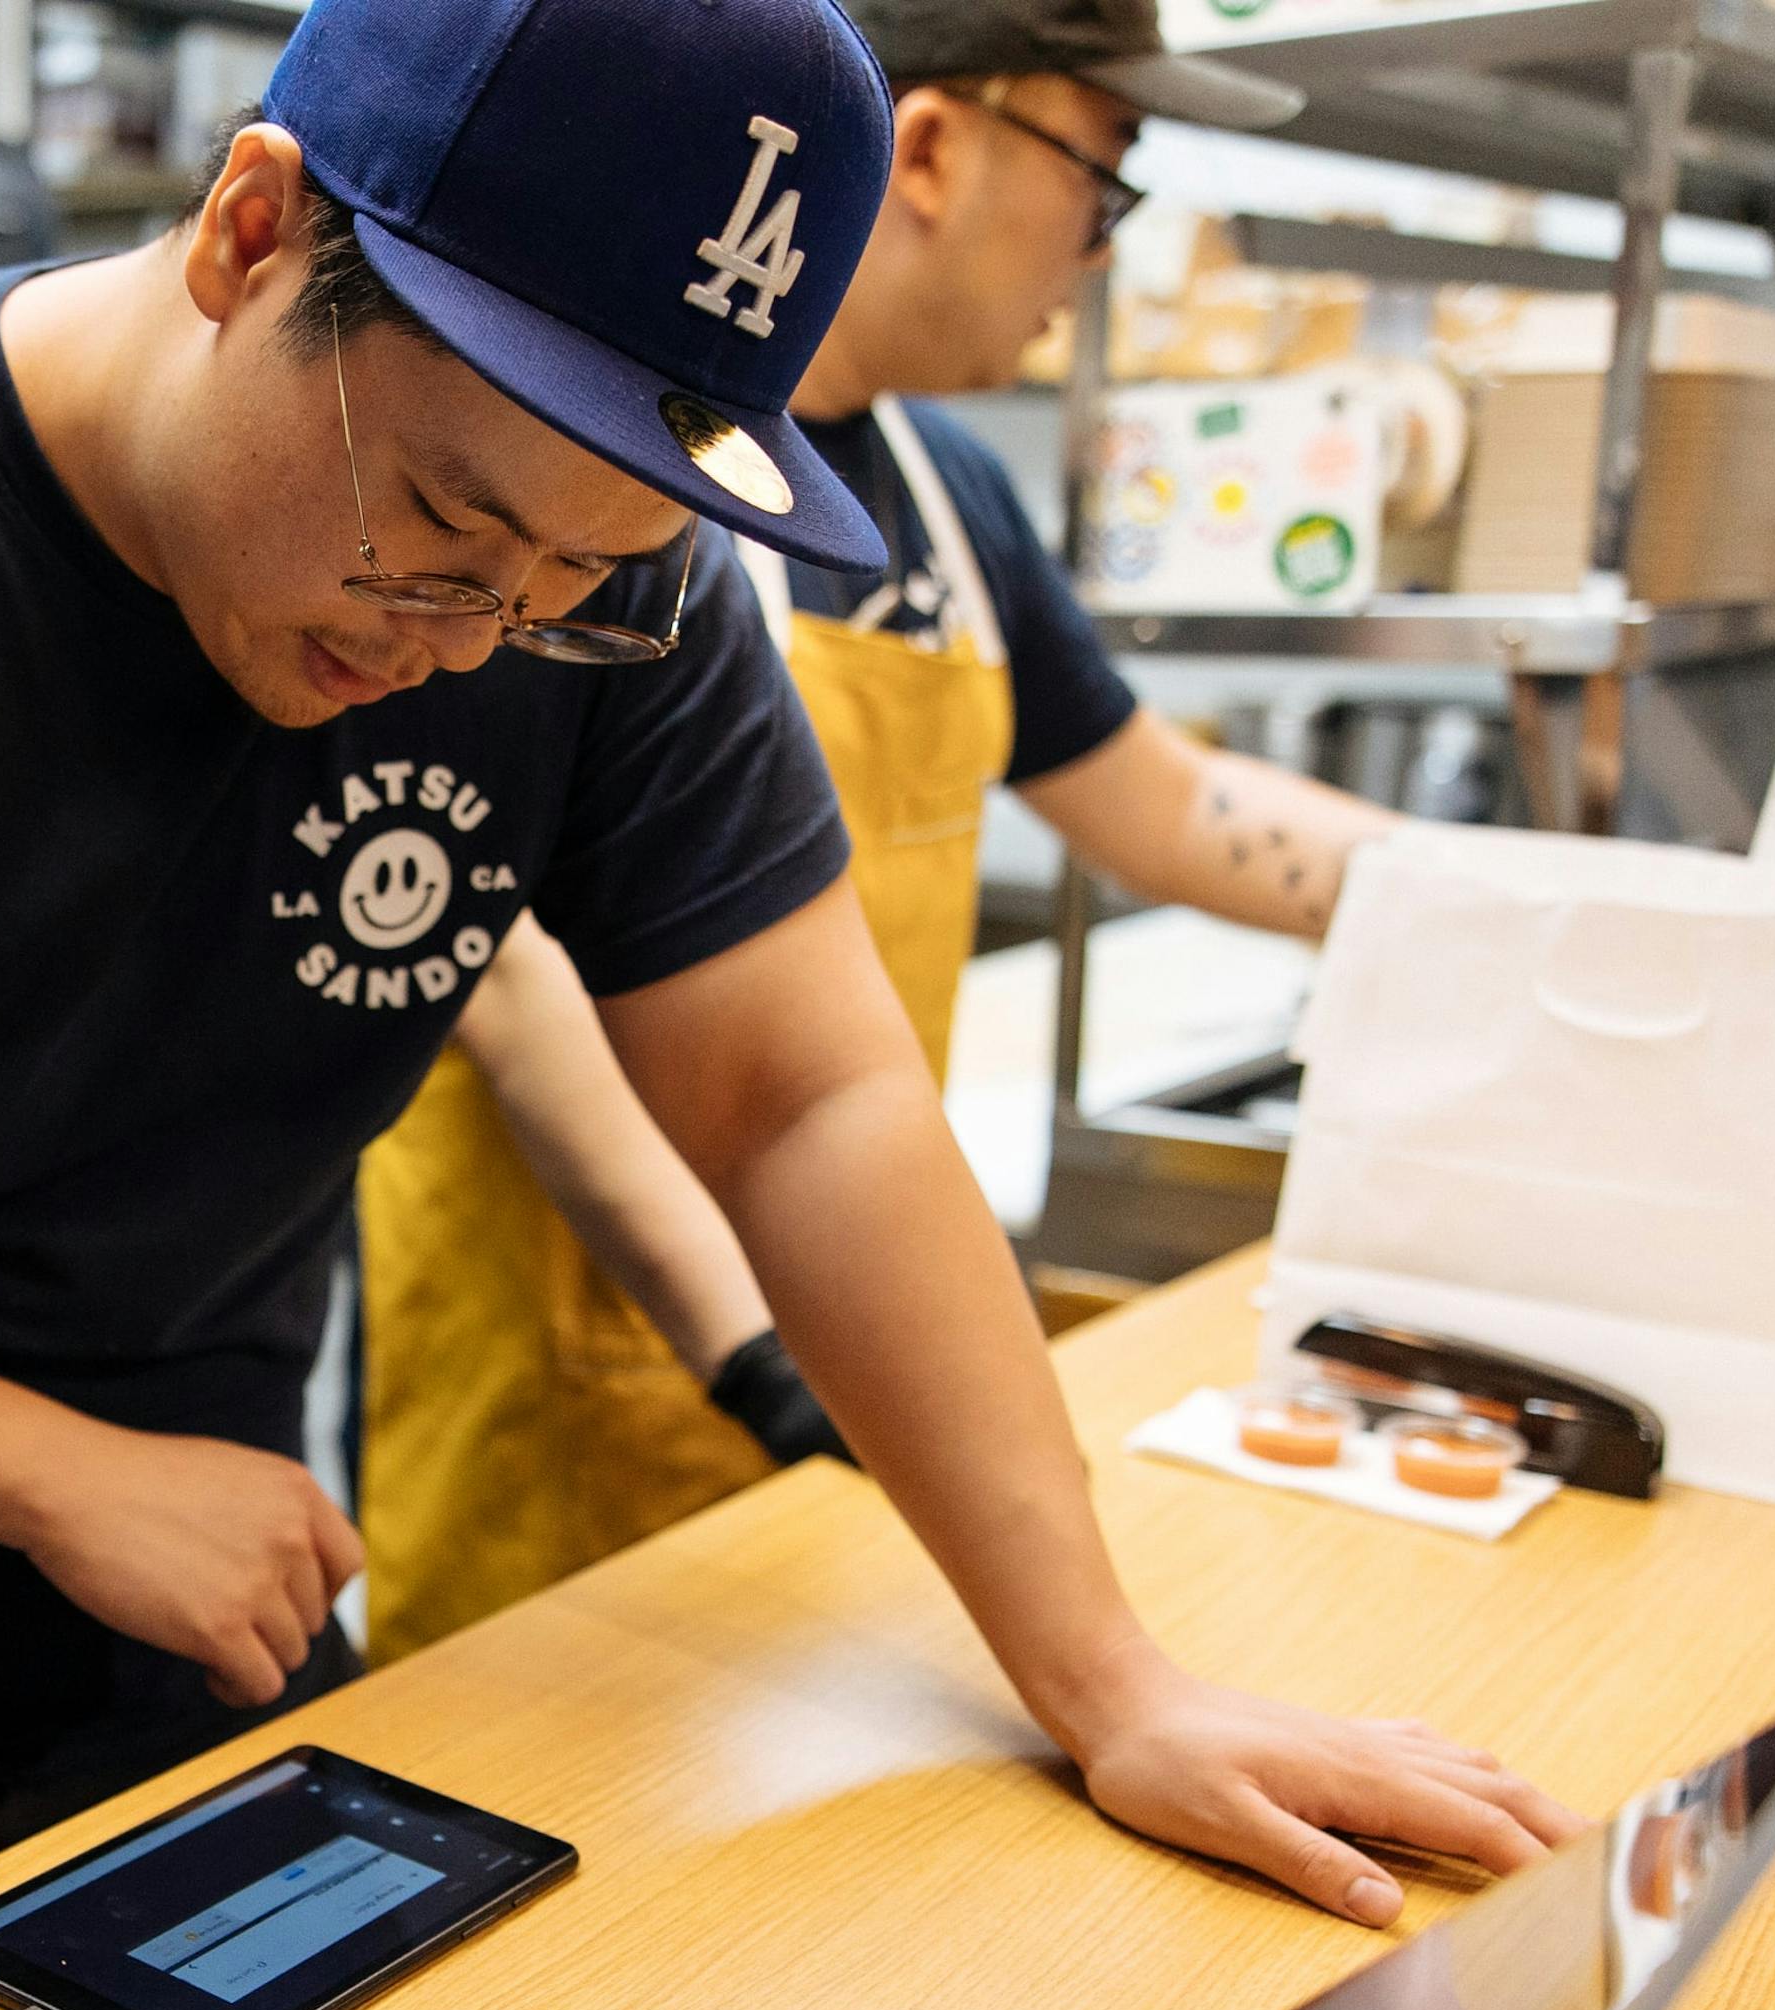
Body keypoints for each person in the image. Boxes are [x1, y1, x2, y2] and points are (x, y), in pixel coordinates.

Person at [0, 0, 1579, 2010]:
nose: (476, 641)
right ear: (252, 235)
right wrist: (37, 1464)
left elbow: (808, 1095)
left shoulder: (599, 595)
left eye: (580, 581)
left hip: (208, 1623)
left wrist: (1116, 1681)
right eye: (446, 530)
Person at [360, 0, 1445, 1662]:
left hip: (838, 1303)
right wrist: (761, 1360)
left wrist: (1486, 903)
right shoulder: (595, 473)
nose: (1100, 251)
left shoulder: (945, 493)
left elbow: (1157, 807)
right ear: (932, 149)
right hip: (586, 1355)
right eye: (1105, 176)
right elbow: (511, 978)